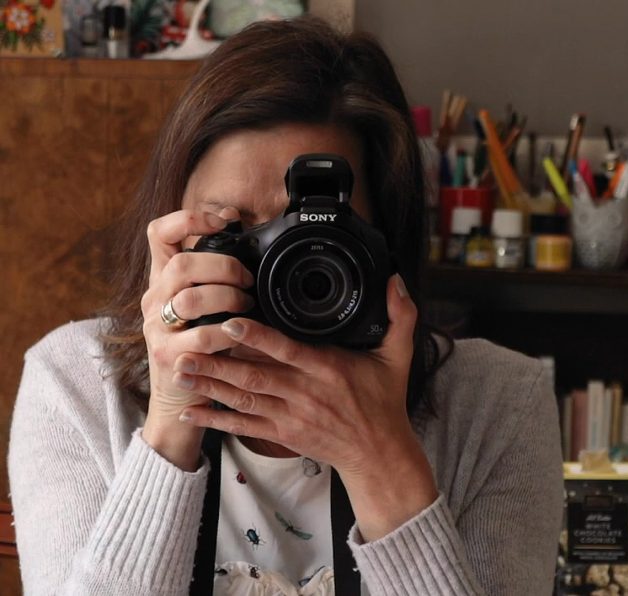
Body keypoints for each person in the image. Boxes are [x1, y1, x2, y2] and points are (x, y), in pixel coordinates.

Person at [8, 15, 563, 596]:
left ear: (385, 245)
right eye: (233, 230)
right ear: (170, 229)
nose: (281, 266)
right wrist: (172, 419)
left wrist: (381, 459)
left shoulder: (500, 405)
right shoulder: (73, 384)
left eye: (313, 235)